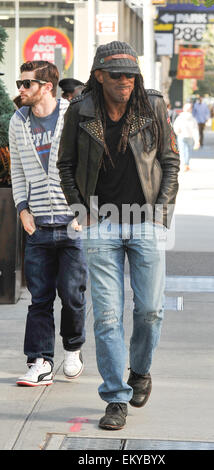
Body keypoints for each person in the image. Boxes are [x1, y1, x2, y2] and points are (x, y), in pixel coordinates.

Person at [57, 41, 180, 430]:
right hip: (100, 223)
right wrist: (81, 212)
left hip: (145, 221)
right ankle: (115, 398)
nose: (126, 81)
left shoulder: (153, 106)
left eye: (131, 74)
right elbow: (65, 166)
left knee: (149, 310)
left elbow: (170, 161)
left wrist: (161, 214)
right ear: (99, 76)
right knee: (108, 316)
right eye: (117, 74)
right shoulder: (81, 110)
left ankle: (140, 370)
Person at [9, 60, 87, 386]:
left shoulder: (75, 116)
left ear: (47, 87)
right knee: (39, 298)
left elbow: (93, 164)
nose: (21, 90)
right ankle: (40, 361)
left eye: (27, 84)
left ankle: (72, 348)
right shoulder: (18, 122)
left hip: (73, 224)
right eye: (20, 84)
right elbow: (16, 169)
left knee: (72, 295)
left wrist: (87, 208)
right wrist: (22, 208)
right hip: (37, 224)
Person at [173, 102, 200, 171]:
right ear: (190, 109)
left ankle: (184, 164)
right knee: (188, 150)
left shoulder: (180, 117)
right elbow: (195, 129)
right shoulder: (192, 119)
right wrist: (197, 140)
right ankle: (186, 164)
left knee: (182, 151)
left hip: (182, 136)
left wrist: (177, 133)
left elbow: (175, 126)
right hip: (190, 137)